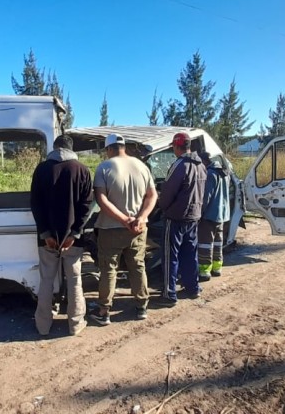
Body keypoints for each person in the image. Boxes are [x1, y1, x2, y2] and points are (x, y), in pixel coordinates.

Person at [89, 133, 158, 326]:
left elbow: (101, 200)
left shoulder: (104, 167)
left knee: (109, 269)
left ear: (108, 149)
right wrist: (141, 218)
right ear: (124, 146)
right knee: (137, 266)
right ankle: (141, 307)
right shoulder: (141, 166)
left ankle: (104, 311)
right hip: (138, 228)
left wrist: (123, 219)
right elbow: (152, 196)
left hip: (110, 228)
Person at [30, 135, 93, 336]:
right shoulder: (82, 170)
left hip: (46, 237)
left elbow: (35, 204)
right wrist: (74, 234)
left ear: (55, 148)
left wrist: (46, 233)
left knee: (46, 279)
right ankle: (75, 324)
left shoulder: (41, 169)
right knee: (75, 279)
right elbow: (86, 206)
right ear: (71, 149)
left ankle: (43, 325)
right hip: (72, 239)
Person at [157, 132, 207, 307]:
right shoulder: (201, 165)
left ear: (176, 146)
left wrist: (160, 205)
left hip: (176, 217)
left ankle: (169, 294)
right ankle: (192, 288)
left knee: (171, 256)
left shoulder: (180, 165)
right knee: (190, 253)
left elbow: (168, 191)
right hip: (194, 217)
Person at [198, 152, 230, 281]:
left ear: (205, 161)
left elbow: (206, 197)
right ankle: (217, 268)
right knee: (218, 242)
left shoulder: (210, 174)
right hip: (222, 215)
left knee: (205, 243)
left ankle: (204, 272)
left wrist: (199, 213)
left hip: (210, 215)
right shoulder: (224, 173)